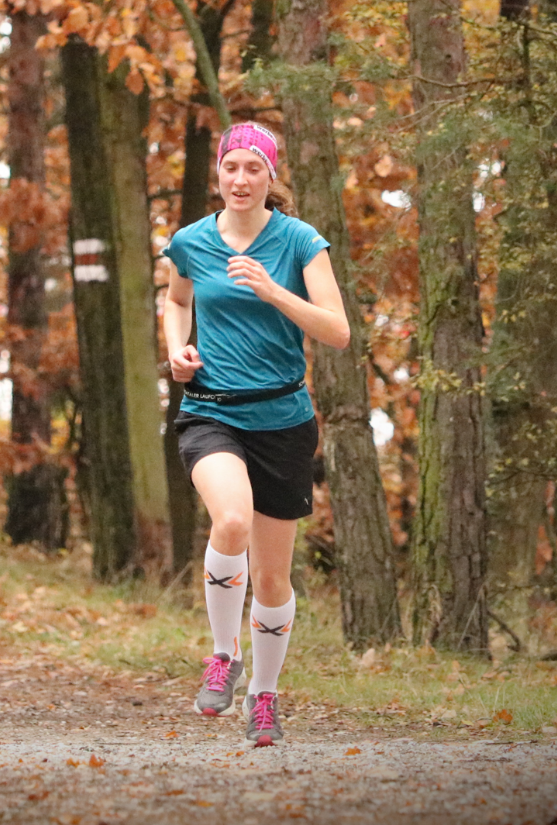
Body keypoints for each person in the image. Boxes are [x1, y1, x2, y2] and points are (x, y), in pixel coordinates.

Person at [161, 122, 350, 748]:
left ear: (271, 176)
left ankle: (263, 698)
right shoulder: (190, 241)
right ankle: (223, 653)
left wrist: (274, 292)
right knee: (232, 521)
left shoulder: (300, 242)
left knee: (272, 580)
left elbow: (338, 331)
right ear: (217, 173)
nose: (240, 179)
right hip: (211, 411)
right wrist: (176, 351)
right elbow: (177, 301)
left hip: (284, 423)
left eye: (253, 168)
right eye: (230, 167)